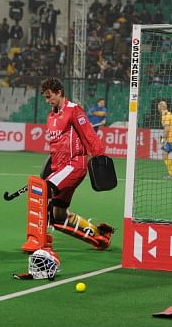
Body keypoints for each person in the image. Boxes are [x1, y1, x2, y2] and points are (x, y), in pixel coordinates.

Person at [40, 78, 114, 250]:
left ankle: (38, 240)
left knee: (41, 193)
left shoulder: (74, 110)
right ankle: (99, 235)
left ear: (59, 92)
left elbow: (89, 134)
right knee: (58, 214)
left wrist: (99, 157)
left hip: (74, 165)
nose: (47, 101)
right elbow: (55, 147)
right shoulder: (51, 116)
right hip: (59, 169)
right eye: (45, 97)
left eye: (49, 96)